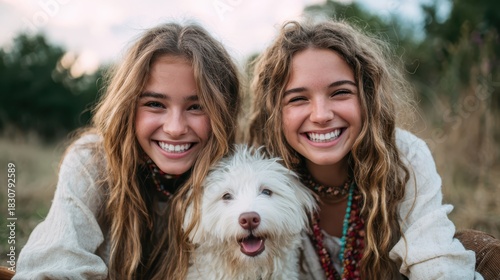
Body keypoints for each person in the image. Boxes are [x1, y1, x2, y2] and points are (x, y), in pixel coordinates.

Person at [246, 19, 484, 279]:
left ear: (368, 97)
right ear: (274, 112)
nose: (321, 115)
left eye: (340, 93)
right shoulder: (257, 181)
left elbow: (436, 261)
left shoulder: (405, 157)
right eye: (298, 99)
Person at [13, 21, 240, 280]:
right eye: (155, 104)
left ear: (224, 113)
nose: (175, 128)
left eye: (196, 106)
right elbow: (56, 265)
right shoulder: (93, 161)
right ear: (127, 106)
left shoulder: (236, 176)